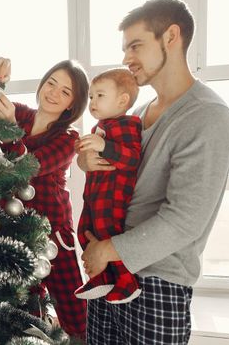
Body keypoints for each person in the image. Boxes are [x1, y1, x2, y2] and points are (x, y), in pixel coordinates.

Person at [77, 0, 229, 344]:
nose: (125, 59)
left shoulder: (207, 116)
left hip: (157, 284)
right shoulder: (133, 114)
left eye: (135, 45)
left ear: (171, 36)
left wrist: (106, 250)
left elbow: (185, 219)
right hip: (110, 271)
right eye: (124, 48)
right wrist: (85, 162)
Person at [0, 57, 89, 339]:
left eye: (65, 91)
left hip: (53, 232)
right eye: (51, 83)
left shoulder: (69, 137)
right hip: (14, 226)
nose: (54, 93)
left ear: (72, 103)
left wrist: (8, 130)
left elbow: (30, 166)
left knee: (72, 306)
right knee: (25, 303)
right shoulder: (19, 113)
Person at [74, 68, 142, 304]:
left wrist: (104, 146)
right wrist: (83, 154)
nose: (92, 102)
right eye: (91, 96)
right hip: (94, 195)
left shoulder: (129, 124)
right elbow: (90, 159)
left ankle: (126, 282)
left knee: (107, 235)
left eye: (100, 95)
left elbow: (132, 158)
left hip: (112, 197)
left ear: (122, 100)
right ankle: (101, 278)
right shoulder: (100, 127)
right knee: (84, 229)